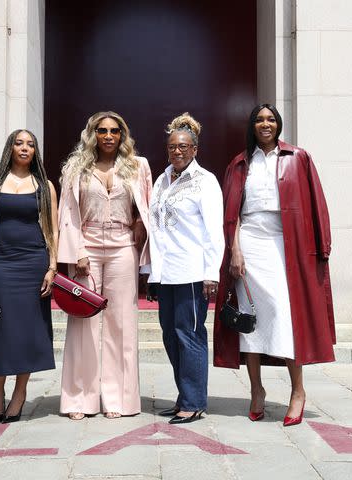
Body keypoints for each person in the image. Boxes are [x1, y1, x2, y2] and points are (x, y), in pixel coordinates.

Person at [213, 104, 335, 426]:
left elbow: (317, 202)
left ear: (278, 124)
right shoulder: (240, 163)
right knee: (249, 321)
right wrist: (235, 250)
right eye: (259, 120)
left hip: (286, 244)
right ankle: (257, 391)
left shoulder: (298, 157)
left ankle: (298, 391)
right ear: (252, 126)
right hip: (250, 242)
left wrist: (322, 247)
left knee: (284, 315)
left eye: (270, 119)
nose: (265, 124)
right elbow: (231, 213)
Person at [58, 111, 152, 420]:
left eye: (114, 130)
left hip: (123, 245)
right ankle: (79, 401)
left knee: (121, 323)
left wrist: (138, 222)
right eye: (102, 130)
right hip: (86, 245)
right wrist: (77, 252)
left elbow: (148, 207)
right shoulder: (76, 168)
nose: (108, 135)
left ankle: (119, 400)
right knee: (83, 324)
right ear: (93, 134)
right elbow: (67, 213)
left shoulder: (138, 167)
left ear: (122, 135)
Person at [0, 129, 58, 423]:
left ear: (35, 151)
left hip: (34, 262)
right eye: (19, 143)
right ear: (10, 147)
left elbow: (52, 228)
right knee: (2, 328)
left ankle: (20, 392)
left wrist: (52, 266)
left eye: (30, 144)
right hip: (0, 261)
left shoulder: (44, 185)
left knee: (29, 328)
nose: (24, 148)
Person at [147, 112, 225, 424]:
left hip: (193, 272)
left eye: (183, 147)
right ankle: (184, 395)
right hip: (166, 273)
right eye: (171, 147)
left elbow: (213, 231)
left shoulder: (205, 182)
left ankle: (194, 402)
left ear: (194, 149)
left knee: (189, 335)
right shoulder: (161, 179)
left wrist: (211, 272)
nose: (176, 151)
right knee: (170, 335)